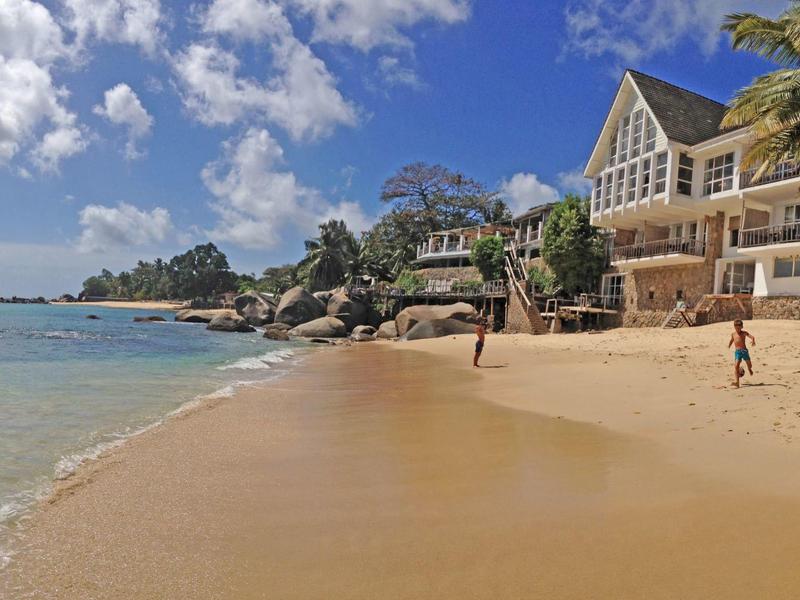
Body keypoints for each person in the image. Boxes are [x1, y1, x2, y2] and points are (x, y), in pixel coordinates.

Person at [728, 319, 755, 388]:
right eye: (736, 328)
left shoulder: (744, 333)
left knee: (750, 365)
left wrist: (753, 341)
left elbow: (752, 337)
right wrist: (729, 345)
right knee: (736, 366)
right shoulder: (733, 334)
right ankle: (737, 382)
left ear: (742, 327)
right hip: (738, 352)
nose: (738, 329)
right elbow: (731, 340)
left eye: (739, 328)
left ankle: (749, 369)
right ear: (734, 327)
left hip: (744, 351)